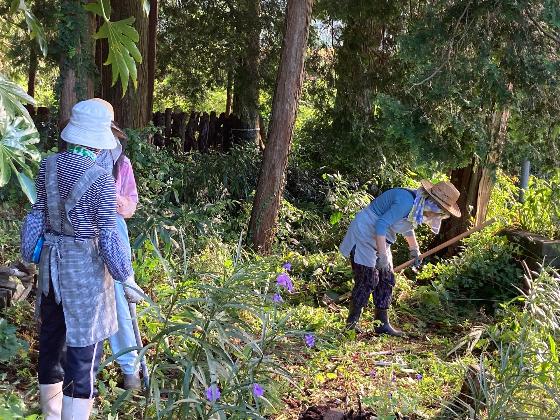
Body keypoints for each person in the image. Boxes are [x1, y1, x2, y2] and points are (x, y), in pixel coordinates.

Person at [20, 99, 144, 419]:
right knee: (82, 351)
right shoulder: (100, 178)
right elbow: (107, 234)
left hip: (51, 267)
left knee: (51, 341)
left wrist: (29, 251)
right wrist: (125, 277)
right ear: (101, 138)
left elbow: (36, 215)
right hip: (85, 274)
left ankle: (51, 414)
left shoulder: (49, 165)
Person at [339, 180, 461, 336]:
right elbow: (381, 224)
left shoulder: (417, 205)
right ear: (433, 203)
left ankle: (382, 324)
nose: (435, 216)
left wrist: (414, 249)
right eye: (439, 211)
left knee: (386, 278)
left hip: (381, 236)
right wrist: (382, 256)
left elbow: (406, 226)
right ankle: (351, 324)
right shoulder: (406, 202)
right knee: (368, 279)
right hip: (365, 232)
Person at [96, 125, 142, 390]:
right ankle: (84, 363)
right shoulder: (71, 159)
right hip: (81, 236)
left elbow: (131, 204)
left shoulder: (122, 162)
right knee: (86, 300)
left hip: (114, 232)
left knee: (122, 300)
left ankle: (130, 371)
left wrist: (120, 201)